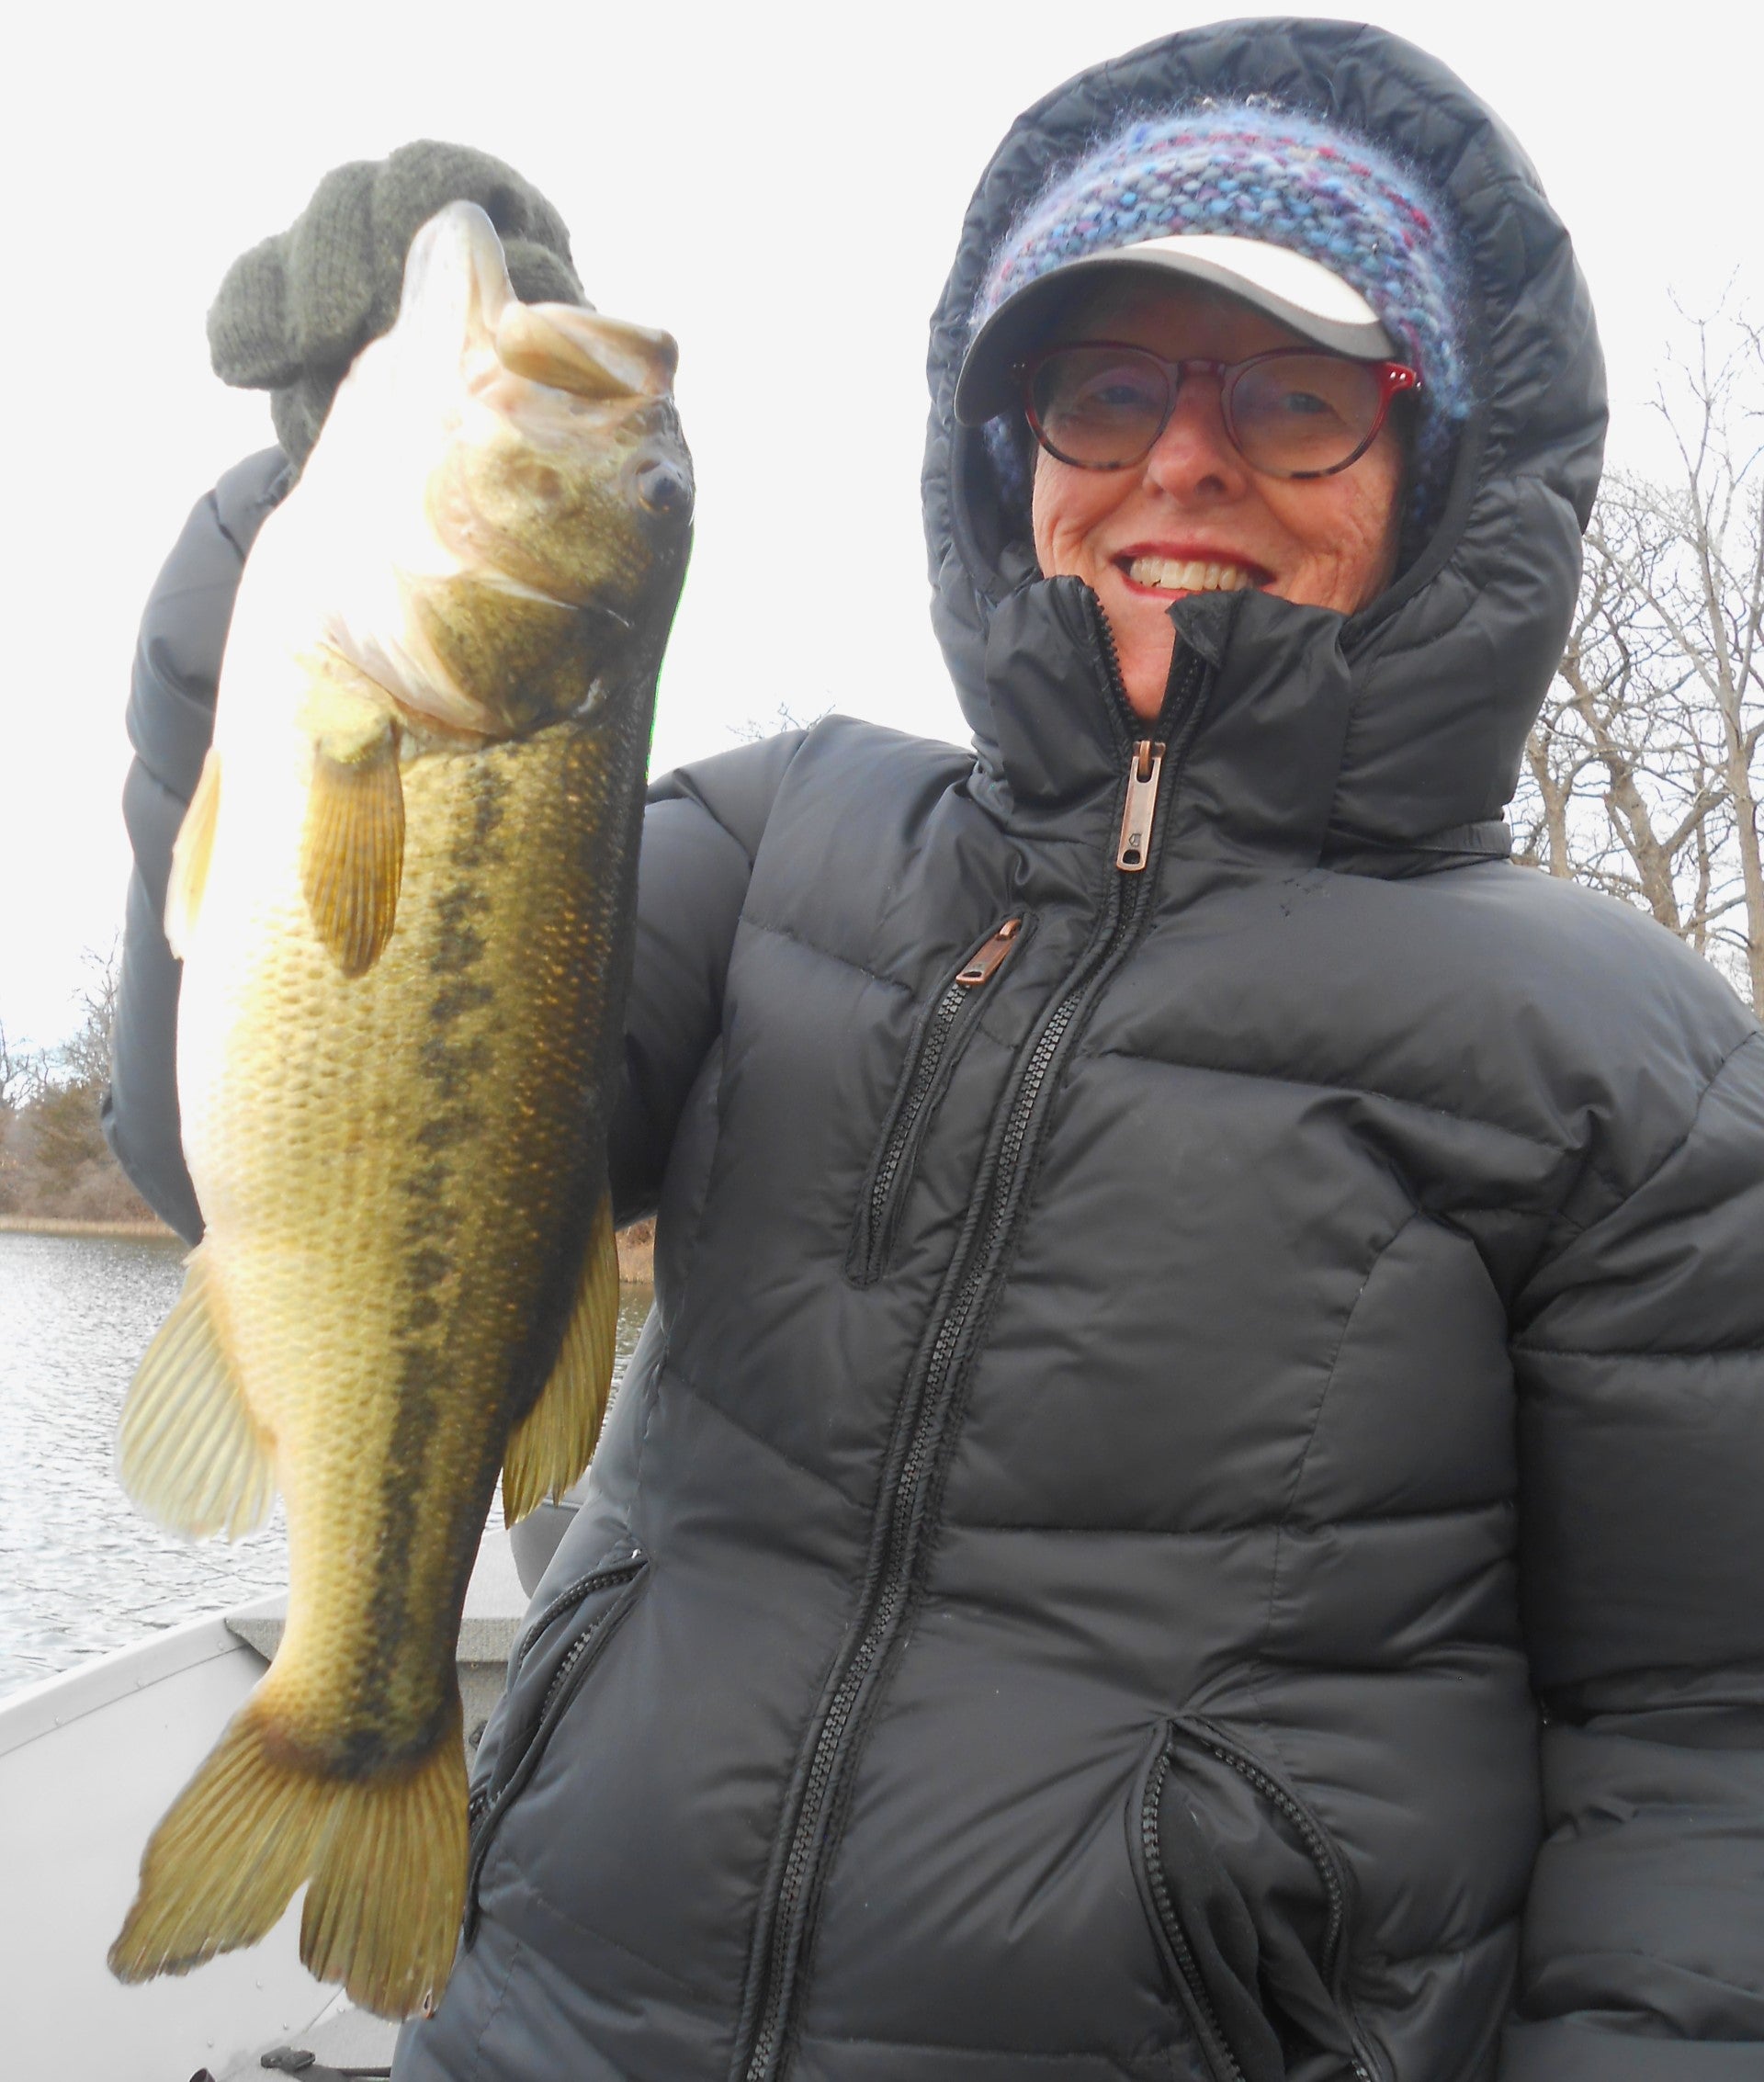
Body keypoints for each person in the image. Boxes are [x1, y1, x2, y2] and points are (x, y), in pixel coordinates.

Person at [107, 24, 1764, 2082]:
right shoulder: (778, 838)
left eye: (1297, 395)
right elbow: (291, 1141)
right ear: (1014, 453)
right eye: (1103, 387)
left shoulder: (1634, 1061)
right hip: (537, 2024)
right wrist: (302, 494)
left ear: (1430, 460)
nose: (1183, 459)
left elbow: (1705, 1747)